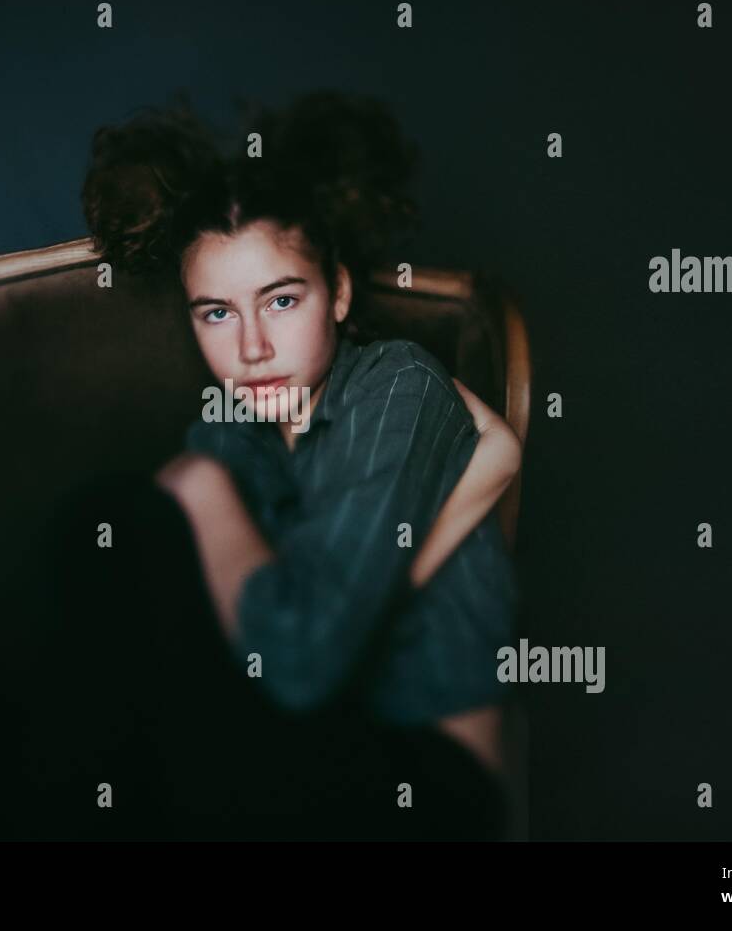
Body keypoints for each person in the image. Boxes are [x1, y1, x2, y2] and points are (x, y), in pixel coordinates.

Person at [61, 90, 522, 839]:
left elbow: (302, 659)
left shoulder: (397, 384)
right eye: (216, 312)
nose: (250, 348)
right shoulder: (233, 428)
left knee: (133, 518)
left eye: (280, 300)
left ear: (337, 292)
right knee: (109, 524)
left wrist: (204, 494)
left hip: (427, 782)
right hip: (300, 742)